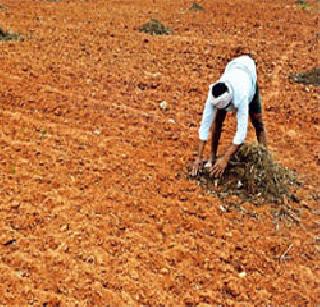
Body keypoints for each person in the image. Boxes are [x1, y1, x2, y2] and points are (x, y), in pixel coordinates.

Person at [192, 55, 267, 177]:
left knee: (258, 123)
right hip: (233, 67)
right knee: (218, 120)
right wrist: (199, 157)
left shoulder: (242, 95)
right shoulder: (213, 94)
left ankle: (264, 162)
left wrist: (225, 160)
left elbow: (241, 133)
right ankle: (212, 157)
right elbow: (204, 126)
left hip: (248, 75)